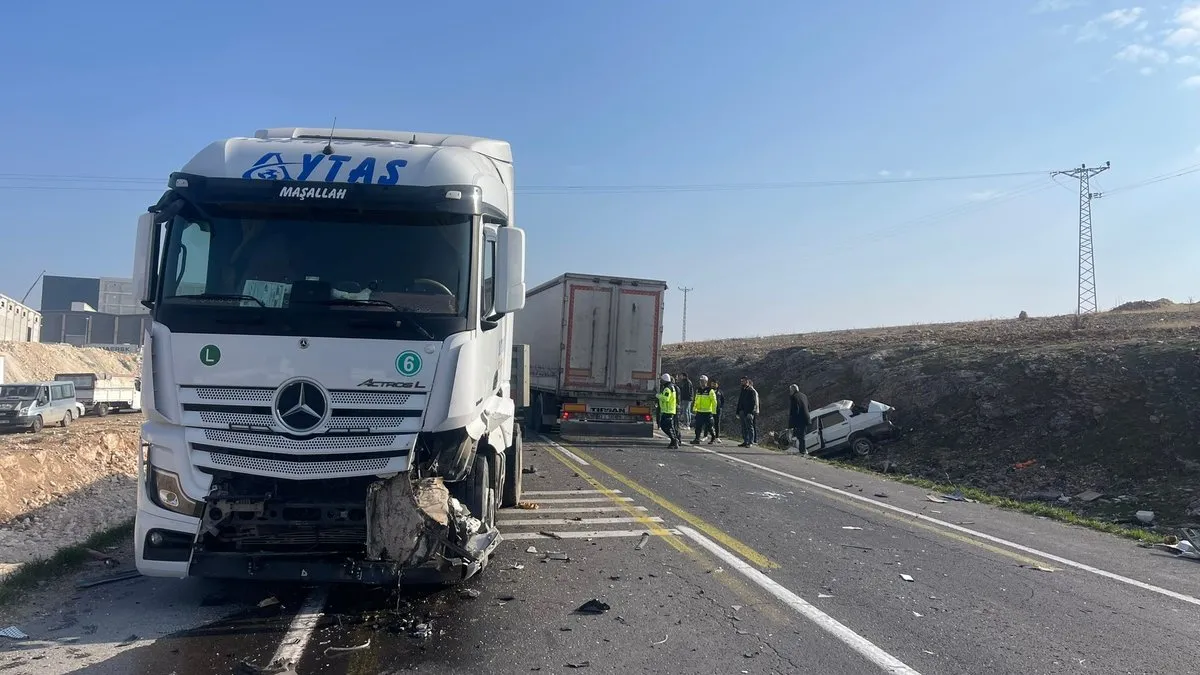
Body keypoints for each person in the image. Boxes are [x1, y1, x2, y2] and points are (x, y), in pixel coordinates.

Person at [691, 375, 717, 444]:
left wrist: (714, 412)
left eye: (702, 381)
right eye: (700, 381)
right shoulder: (698, 390)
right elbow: (696, 400)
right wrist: (694, 408)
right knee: (698, 426)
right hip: (699, 411)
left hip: (708, 412)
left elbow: (714, 401)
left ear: (706, 382)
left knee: (709, 426)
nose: (701, 382)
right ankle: (697, 439)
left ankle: (713, 437)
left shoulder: (710, 391)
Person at [656, 373, 679, 449]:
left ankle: (674, 441)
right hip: (669, 410)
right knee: (667, 426)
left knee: (667, 427)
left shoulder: (667, 388)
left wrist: (658, 395)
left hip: (668, 410)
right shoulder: (671, 387)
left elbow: (666, 399)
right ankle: (674, 441)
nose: (661, 382)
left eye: (662, 380)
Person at [736, 376, 760, 447]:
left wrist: (751, 412)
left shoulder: (751, 391)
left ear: (747, 382)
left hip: (748, 412)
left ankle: (751, 441)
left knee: (750, 427)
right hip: (742, 411)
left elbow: (753, 403)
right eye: (741, 381)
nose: (742, 383)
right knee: (743, 427)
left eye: (743, 381)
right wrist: (738, 411)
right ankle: (745, 441)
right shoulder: (743, 390)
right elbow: (740, 401)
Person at [788, 384, 811, 453]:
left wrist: (792, 422)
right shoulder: (804, 396)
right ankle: (802, 450)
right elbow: (808, 406)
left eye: (790, 390)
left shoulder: (794, 397)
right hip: (806, 417)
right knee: (802, 435)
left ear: (793, 390)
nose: (790, 392)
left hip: (799, 419)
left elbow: (795, 410)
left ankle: (802, 451)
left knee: (801, 436)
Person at [711, 379, 725, 443]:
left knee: (717, 423)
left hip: (718, 409)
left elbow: (722, 400)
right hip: (710, 409)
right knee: (709, 423)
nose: (713, 385)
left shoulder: (720, 392)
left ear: (717, 384)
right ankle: (706, 435)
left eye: (715, 384)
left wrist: (721, 407)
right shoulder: (709, 391)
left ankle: (717, 436)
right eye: (712, 384)